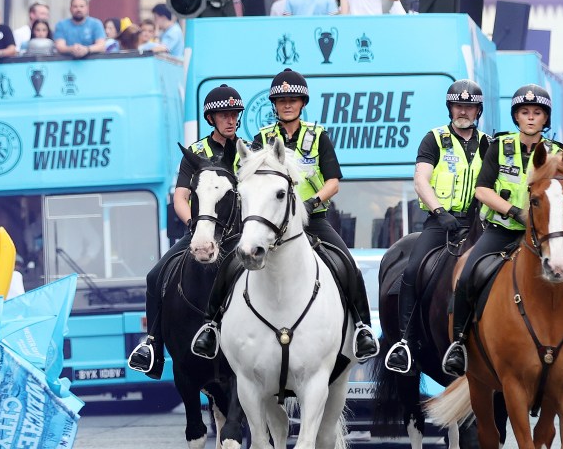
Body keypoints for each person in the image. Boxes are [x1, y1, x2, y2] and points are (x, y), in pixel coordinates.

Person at [190, 69, 378, 362]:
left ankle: (363, 329)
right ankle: (211, 326)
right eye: (281, 100)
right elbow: (246, 179)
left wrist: (312, 203)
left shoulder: (318, 136)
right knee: (232, 263)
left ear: (302, 103)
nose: (287, 105)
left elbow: (333, 182)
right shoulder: (261, 138)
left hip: (312, 219)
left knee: (347, 264)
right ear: (274, 105)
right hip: (268, 222)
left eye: (292, 99)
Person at [442, 84, 563, 379]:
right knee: (468, 277)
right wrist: (515, 212)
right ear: (516, 117)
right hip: (503, 230)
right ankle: (459, 345)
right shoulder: (499, 147)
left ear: (545, 118)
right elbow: (482, 190)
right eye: (524, 112)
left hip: (548, 238)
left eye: (537, 113)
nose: (530, 118)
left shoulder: (559, 152)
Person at [127, 85, 247, 378]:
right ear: (211, 119)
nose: (230, 120)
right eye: (223, 115)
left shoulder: (248, 151)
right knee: (156, 275)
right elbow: (181, 197)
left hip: (241, 234)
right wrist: (197, 227)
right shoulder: (195, 153)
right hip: (203, 230)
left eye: (234, 114)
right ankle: (153, 345)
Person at [384, 80, 490, 374]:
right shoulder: (434, 139)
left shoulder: (488, 144)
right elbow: (421, 180)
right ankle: (404, 342)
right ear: (450, 108)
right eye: (458, 105)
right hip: (440, 222)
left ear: (477, 110)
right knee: (412, 269)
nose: (463, 111)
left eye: (469, 107)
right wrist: (440, 212)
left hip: (477, 223)